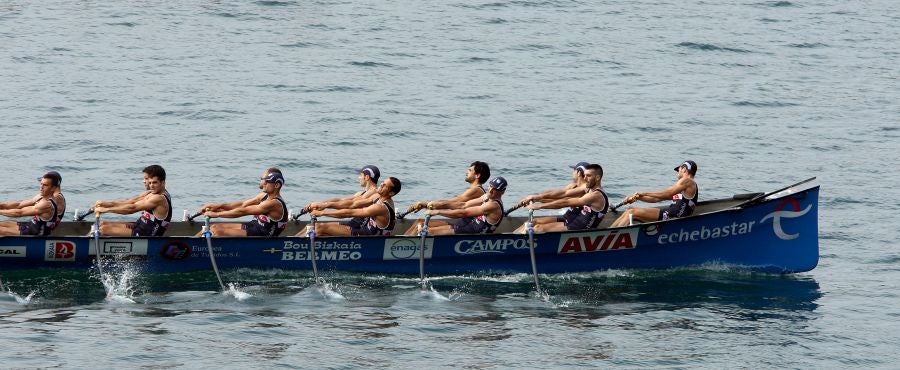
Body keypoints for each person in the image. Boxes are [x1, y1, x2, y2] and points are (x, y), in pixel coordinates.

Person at [514, 163, 609, 233]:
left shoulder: (596, 195)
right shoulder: (587, 188)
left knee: (538, 228)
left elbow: (567, 202)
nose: (585, 178)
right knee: (531, 223)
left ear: (597, 178)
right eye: (585, 175)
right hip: (571, 221)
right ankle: (513, 237)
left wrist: (539, 206)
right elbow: (564, 193)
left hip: (580, 229)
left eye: (588, 176)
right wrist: (536, 197)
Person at [199, 168, 288, 237]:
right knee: (213, 227)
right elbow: (242, 205)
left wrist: (216, 214)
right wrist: (217, 207)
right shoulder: (263, 196)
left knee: (217, 233)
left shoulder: (274, 203)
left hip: (262, 235)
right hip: (254, 226)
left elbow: (243, 211)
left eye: (267, 181)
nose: (263, 183)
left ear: (276, 185)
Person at [403, 161, 490, 231]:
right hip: (462, 222)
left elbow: (453, 203)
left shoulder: (476, 190)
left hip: (465, 226)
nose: (466, 172)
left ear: (477, 175)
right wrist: (425, 205)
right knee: (419, 222)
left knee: (420, 224)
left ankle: (400, 247)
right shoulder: (475, 190)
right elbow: (450, 204)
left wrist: (424, 204)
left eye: (470, 170)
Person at [610, 160, 699, 227]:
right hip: (669, 214)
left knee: (631, 212)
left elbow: (667, 193)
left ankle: (610, 237)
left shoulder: (688, 181)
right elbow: (656, 199)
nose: (677, 172)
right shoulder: (683, 189)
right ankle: (609, 230)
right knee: (629, 210)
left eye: (678, 169)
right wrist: (637, 197)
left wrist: (644, 193)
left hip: (673, 218)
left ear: (684, 169)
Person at [308, 176, 401, 236]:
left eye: (385, 185)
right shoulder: (377, 197)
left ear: (391, 193)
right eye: (383, 182)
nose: (381, 184)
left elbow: (350, 213)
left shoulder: (381, 208)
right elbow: (352, 204)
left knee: (319, 228)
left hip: (370, 239)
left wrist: (322, 213)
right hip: (364, 230)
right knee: (314, 226)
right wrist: (325, 205)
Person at [94, 165, 172, 236]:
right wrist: (105, 204)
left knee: (103, 229)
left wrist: (106, 210)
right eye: (150, 182)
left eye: (155, 183)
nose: (151, 185)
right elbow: (130, 202)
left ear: (163, 183)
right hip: (138, 226)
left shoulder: (159, 198)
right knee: (102, 224)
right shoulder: (151, 193)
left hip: (146, 234)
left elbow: (132, 208)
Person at [414, 177, 507, 236]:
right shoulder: (487, 196)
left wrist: (437, 212)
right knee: (422, 227)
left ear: (502, 192)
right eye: (490, 186)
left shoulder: (494, 205)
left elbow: (463, 213)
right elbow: (463, 205)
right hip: (468, 226)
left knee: (429, 232)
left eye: (495, 189)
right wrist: (435, 205)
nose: (490, 190)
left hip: (474, 234)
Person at [302, 165, 380, 230]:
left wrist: (325, 207)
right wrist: (319, 204)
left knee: (316, 228)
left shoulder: (374, 193)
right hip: (353, 223)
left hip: (360, 228)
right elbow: (340, 200)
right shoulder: (361, 193)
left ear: (367, 177)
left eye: (360, 175)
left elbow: (351, 205)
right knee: (309, 227)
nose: (359, 178)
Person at [0, 171, 66, 236]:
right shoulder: (43, 195)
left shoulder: (52, 200)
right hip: (32, 225)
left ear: (54, 187)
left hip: (37, 233)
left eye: (45, 185)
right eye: (41, 183)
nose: (41, 187)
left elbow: (20, 213)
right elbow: (19, 204)